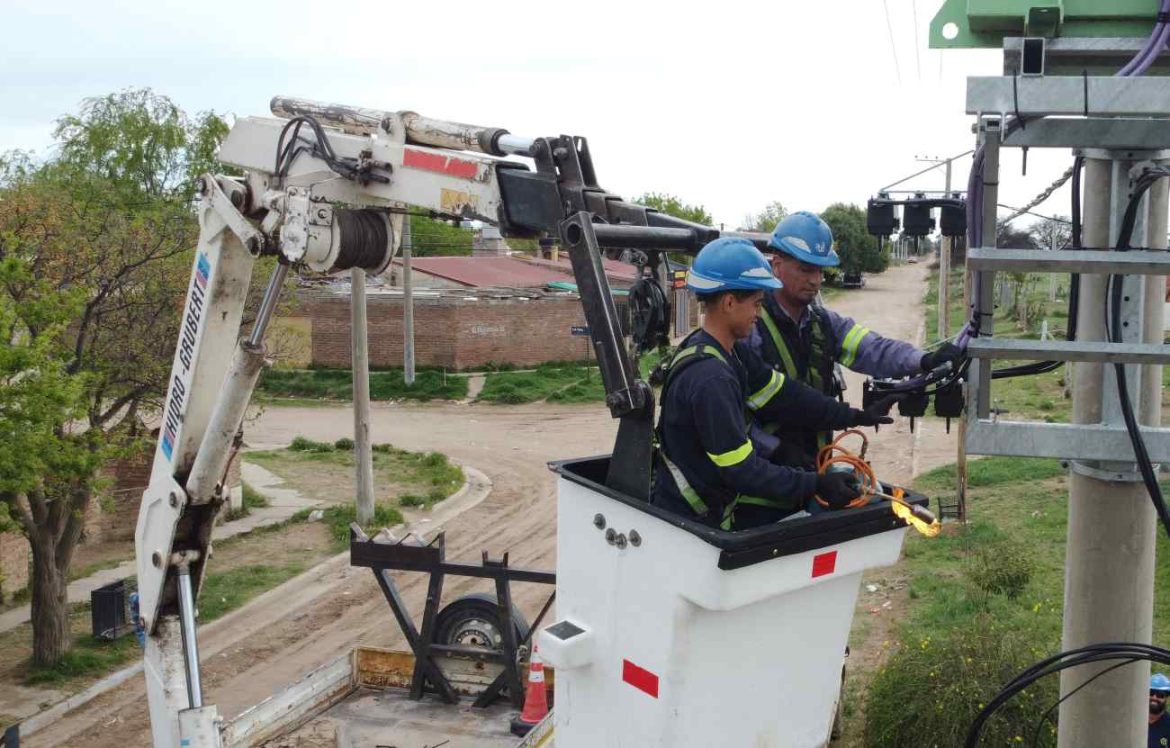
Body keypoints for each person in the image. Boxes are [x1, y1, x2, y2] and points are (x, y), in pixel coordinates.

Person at [650, 237, 898, 531]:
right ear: (729, 303)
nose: (759, 314)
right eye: (756, 304)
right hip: (688, 527)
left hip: (706, 516)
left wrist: (855, 416)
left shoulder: (728, 351)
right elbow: (742, 470)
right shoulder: (710, 379)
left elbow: (787, 396)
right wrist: (816, 483)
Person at [743, 211, 962, 464]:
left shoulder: (823, 324)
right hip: (760, 484)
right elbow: (729, 417)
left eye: (820, 270)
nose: (815, 280)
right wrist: (775, 449)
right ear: (777, 266)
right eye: (806, 269)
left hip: (815, 471)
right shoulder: (750, 329)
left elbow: (874, 349)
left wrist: (924, 360)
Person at [1150, 673, 1170, 747]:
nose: (1154, 698)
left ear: (1166, 698)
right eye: (1151, 693)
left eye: (1160, 695)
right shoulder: (1133, 721)